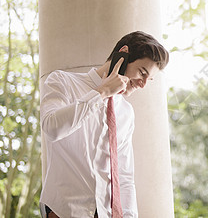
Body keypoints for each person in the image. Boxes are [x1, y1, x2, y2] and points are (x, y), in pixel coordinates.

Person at [39, 31, 169, 218]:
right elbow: (52, 128)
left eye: (149, 80)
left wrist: (130, 215)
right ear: (123, 55)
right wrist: (102, 92)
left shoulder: (125, 112)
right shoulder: (62, 82)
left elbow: (123, 174)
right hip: (64, 210)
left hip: (106, 213)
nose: (142, 84)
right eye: (142, 72)